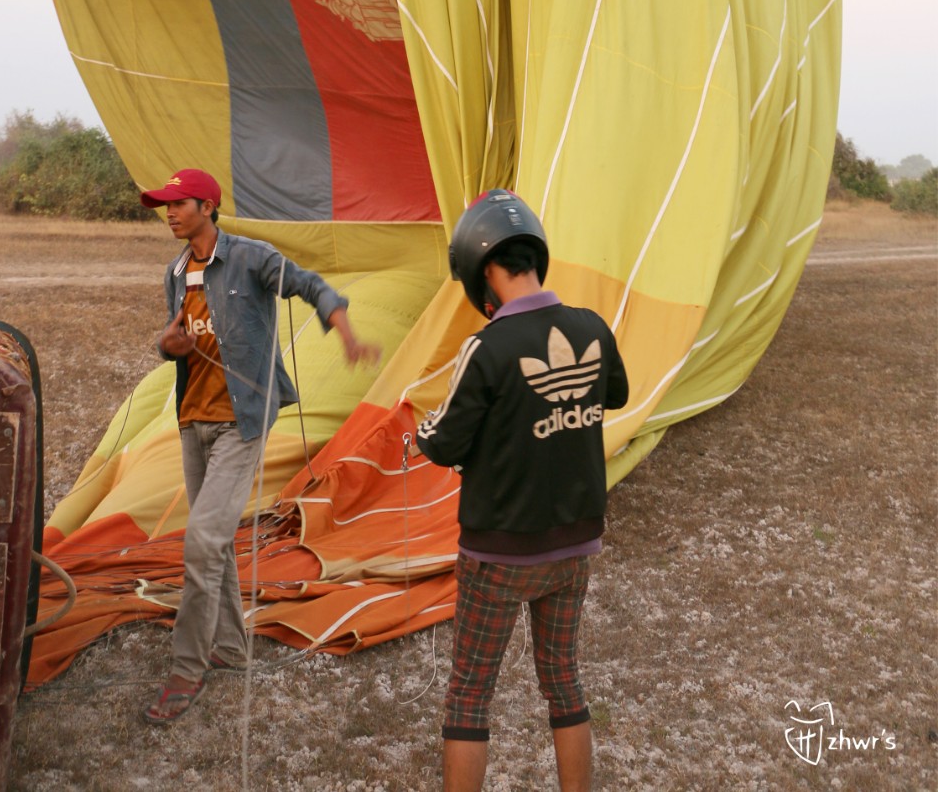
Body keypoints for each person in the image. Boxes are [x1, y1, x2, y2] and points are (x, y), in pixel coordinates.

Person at [141, 168, 379, 725]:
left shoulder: (250, 258)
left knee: (201, 540)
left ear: (207, 205)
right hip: (192, 420)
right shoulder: (175, 273)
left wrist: (343, 329)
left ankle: (185, 668)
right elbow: (175, 340)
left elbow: (311, 285)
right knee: (215, 542)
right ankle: (230, 648)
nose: (169, 213)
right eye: (165, 206)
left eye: (178, 204)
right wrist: (166, 345)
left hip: (240, 422)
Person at [410, 190, 630, 792]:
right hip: (574, 546)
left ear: (481, 270)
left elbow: (446, 439)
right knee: (563, 677)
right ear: (535, 258)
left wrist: (418, 434)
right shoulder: (591, 327)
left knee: (470, 694)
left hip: (499, 554)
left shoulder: (486, 347)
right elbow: (614, 394)